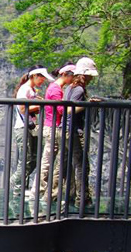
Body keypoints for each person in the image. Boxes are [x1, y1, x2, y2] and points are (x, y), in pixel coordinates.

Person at [30, 62, 75, 201]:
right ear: (66, 75)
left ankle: (42, 192)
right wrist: (73, 105)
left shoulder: (56, 88)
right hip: (52, 127)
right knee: (48, 161)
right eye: (73, 77)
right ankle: (38, 193)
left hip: (51, 127)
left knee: (53, 160)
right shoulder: (56, 89)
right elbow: (60, 110)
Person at [9, 65, 55, 198]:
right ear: (34, 76)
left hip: (30, 128)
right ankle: (15, 185)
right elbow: (23, 109)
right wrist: (42, 105)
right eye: (41, 78)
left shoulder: (31, 90)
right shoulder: (25, 89)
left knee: (33, 159)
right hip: (22, 128)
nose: (43, 81)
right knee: (26, 159)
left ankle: (18, 186)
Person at [63, 57, 99, 208]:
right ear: (84, 75)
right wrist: (87, 104)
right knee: (81, 166)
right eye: (90, 75)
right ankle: (81, 200)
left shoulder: (69, 87)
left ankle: (71, 196)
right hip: (74, 131)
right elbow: (70, 110)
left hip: (66, 130)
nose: (91, 79)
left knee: (72, 165)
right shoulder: (78, 89)